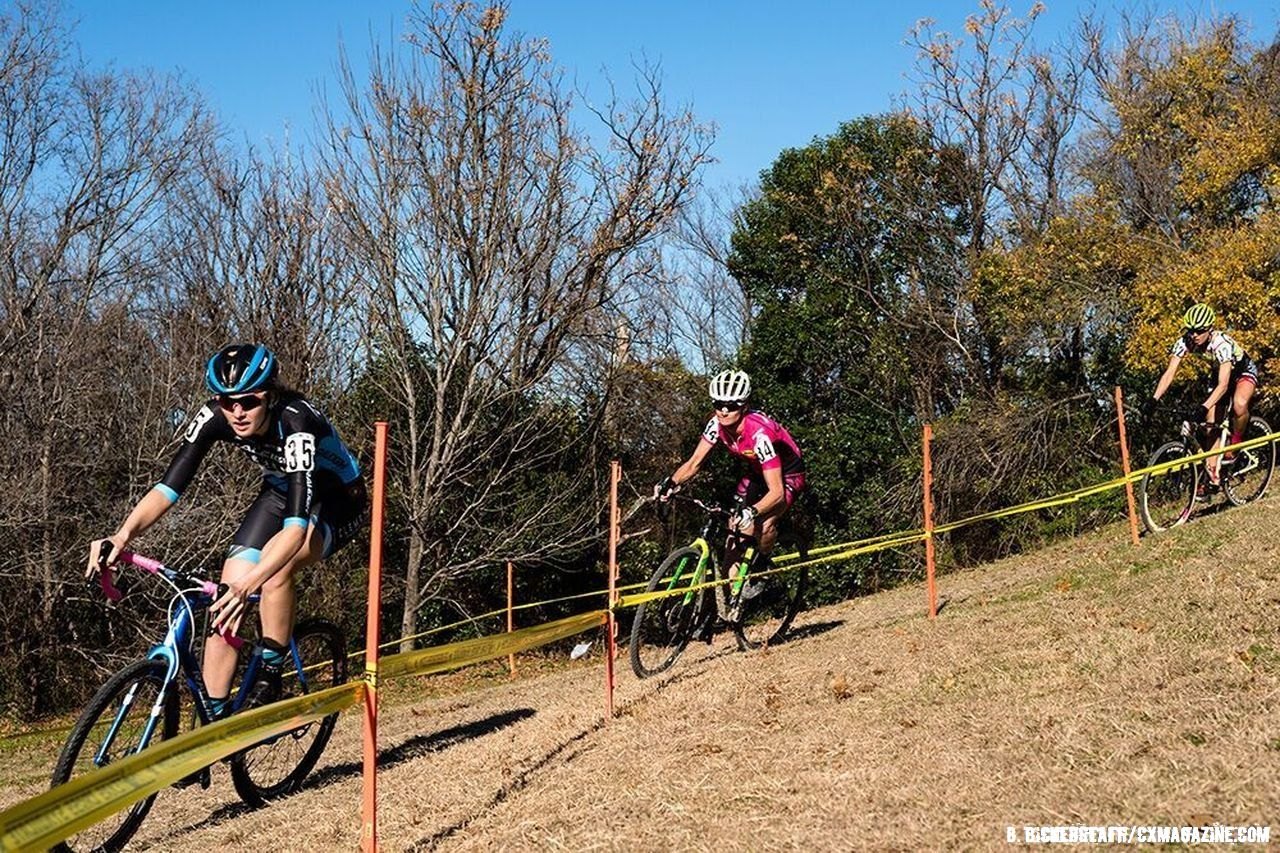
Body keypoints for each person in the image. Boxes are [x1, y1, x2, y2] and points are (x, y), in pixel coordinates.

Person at [86, 344, 366, 717]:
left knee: (274, 569)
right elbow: (168, 488)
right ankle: (212, 720)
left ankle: (270, 671)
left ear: (269, 396)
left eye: (248, 402)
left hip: (336, 500)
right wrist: (122, 536)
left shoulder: (297, 423)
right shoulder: (215, 416)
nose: (236, 412)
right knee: (224, 598)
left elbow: (296, 531)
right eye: (226, 402)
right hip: (281, 491)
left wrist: (249, 585)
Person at [654, 369, 806, 592]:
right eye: (718, 404)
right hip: (757, 471)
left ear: (744, 405)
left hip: (787, 475)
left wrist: (752, 512)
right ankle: (734, 596)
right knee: (734, 527)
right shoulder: (716, 424)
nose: (724, 411)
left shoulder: (759, 435)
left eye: (732, 405)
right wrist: (671, 483)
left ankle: (762, 566)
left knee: (764, 524)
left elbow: (776, 493)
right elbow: (695, 461)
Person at [1151, 303, 1260, 484]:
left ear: (1210, 329)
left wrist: (1203, 406)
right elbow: (1170, 372)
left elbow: (1223, 385)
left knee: (1240, 404)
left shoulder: (1221, 344)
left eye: (1199, 331)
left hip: (1242, 372)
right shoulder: (1185, 341)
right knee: (1211, 424)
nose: (1194, 335)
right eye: (1191, 330)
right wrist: (1153, 399)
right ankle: (1213, 476)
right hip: (1219, 375)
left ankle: (1236, 443)